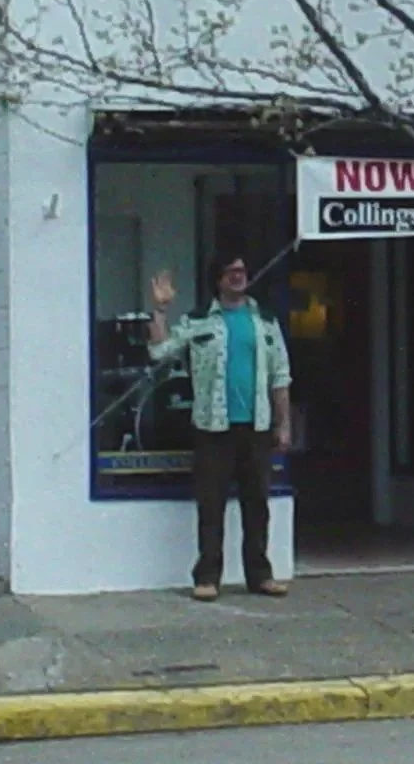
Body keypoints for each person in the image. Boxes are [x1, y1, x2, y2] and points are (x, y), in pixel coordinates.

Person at [148, 250, 293, 601]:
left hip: (256, 426)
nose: (238, 276)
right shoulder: (199, 320)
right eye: (231, 271)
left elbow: (281, 376)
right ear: (218, 279)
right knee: (211, 506)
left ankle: (260, 576)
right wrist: (161, 310)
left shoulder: (266, 321)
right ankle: (207, 578)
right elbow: (160, 351)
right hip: (213, 428)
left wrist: (283, 423)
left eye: (242, 271)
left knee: (256, 505)